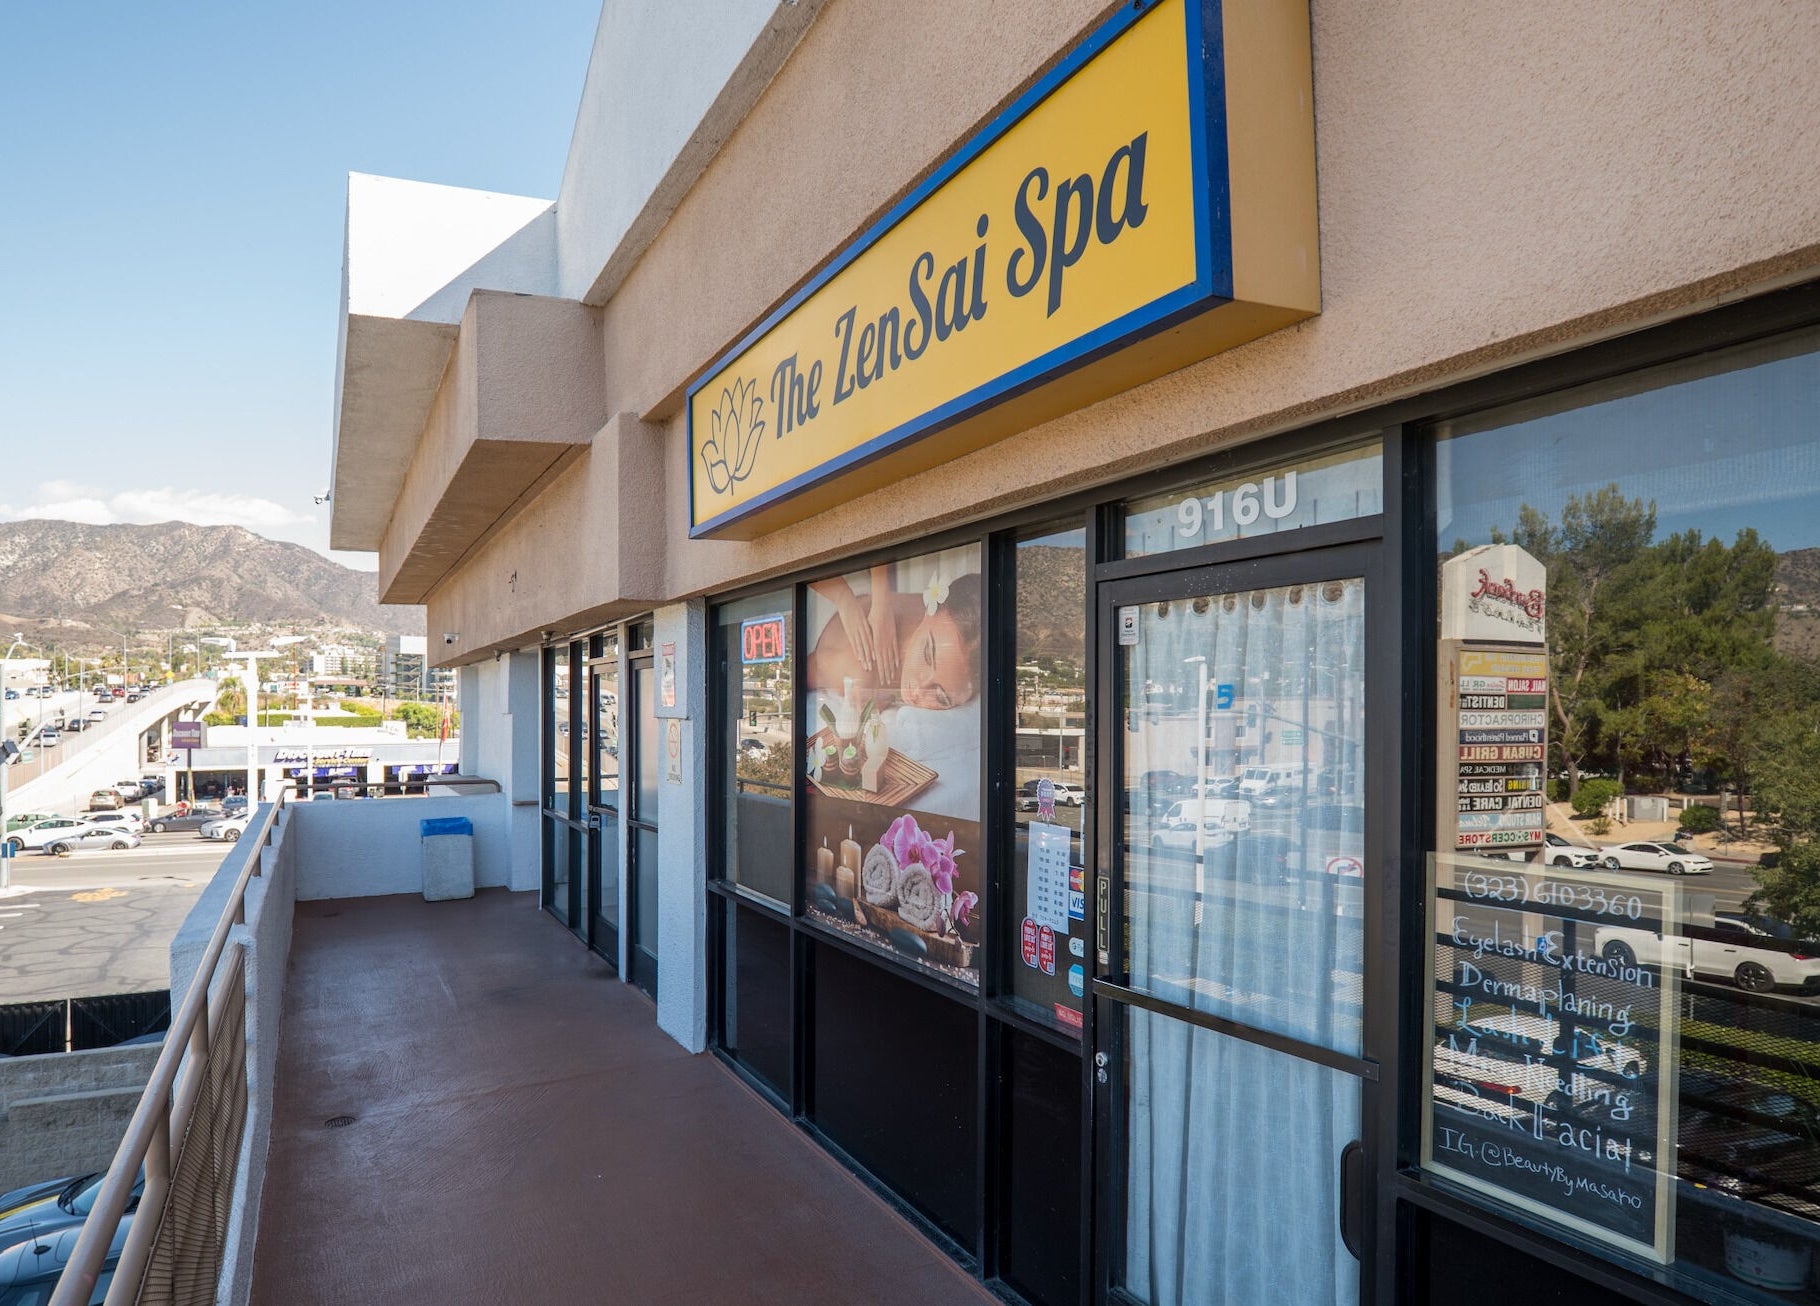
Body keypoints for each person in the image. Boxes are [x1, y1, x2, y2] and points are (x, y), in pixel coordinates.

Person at [808, 564, 982, 710]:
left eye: (940, 696)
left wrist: (880, 595)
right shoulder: (856, 668)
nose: (917, 690)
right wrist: (843, 597)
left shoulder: (950, 621)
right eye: (927, 654)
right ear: (928, 615)